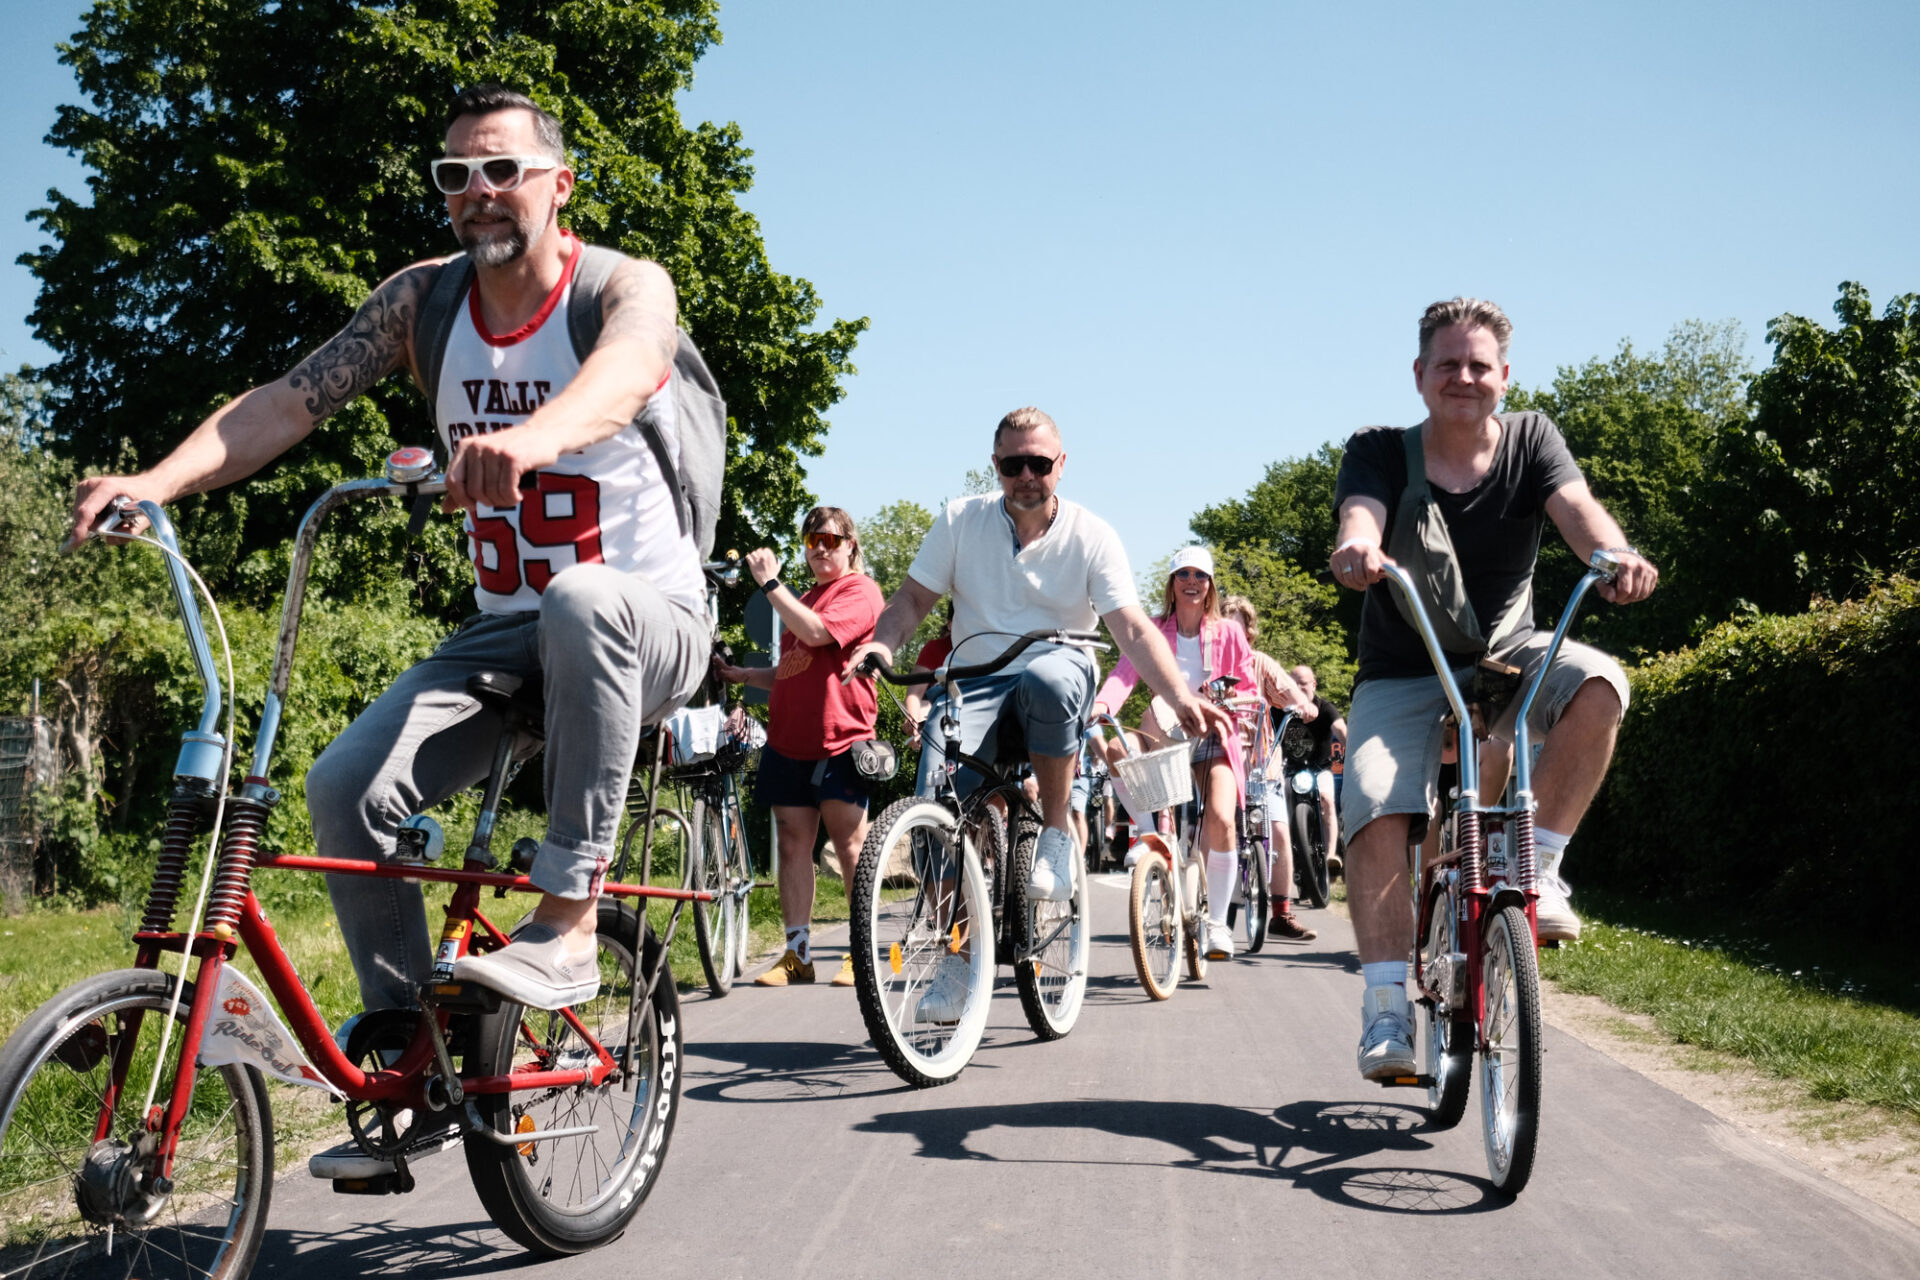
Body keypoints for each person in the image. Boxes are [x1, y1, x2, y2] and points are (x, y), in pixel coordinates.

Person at [67, 85, 709, 1031]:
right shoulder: (423, 302)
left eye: (504, 170)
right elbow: (287, 402)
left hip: (648, 627)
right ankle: (412, 1044)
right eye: (457, 176)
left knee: (581, 596)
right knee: (344, 789)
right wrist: (159, 480)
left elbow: (626, 371)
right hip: (507, 638)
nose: (480, 192)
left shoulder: (620, 286)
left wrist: (530, 438)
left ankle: (569, 919)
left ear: (560, 185)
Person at [1331, 297, 1657, 1082]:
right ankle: (1385, 1012)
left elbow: (1580, 513)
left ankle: (1532, 867)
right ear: (1420, 376)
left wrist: (1616, 557)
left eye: (1480, 366)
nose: (1464, 378)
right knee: (1375, 798)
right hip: (1404, 666)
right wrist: (1357, 547)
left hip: (1508, 653)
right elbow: (1361, 516)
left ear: (1504, 377)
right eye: (1448, 364)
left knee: (1601, 684)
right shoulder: (1379, 449)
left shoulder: (1533, 440)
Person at [844, 407, 1233, 1016]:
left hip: (1059, 669)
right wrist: (881, 643)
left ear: (1062, 464)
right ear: (994, 464)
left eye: (1039, 463)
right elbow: (912, 599)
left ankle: (1055, 831)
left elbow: (1131, 626)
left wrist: (1181, 698)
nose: (1025, 475)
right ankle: (954, 961)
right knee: (941, 804)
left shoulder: (1092, 534)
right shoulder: (959, 521)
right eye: (1011, 464)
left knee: (1051, 676)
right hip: (975, 684)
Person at [1092, 550, 1296, 959]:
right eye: (1182, 573)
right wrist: (1102, 705)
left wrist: (1232, 703)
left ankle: (1218, 924)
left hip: (1214, 732)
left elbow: (1246, 686)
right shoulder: (1151, 630)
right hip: (1167, 733)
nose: (1191, 581)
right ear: (1171, 584)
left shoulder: (1227, 633)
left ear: (1210, 586)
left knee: (1222, 818)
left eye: (1200, 575)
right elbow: (1123, 675)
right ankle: (1150, 832)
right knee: (1116, 746)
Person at [713, 507, 883, 989]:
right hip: (789, 742)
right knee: (792, 844)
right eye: (812, 539)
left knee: (850, 845)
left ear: (850, 543)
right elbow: (794, 665)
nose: (820, 548)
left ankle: (861, 950)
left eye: (830, 538)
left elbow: (817, 633)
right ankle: (797, 954)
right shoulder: (803, 597)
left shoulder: (859, 591)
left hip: (841, 737)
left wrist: (770, 584)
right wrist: (747, 676)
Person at [1216, 594, 1320, 942]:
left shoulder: (1259, 663)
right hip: (1222, 764)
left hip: (1262, 767)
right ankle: (1213, 910)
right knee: (1217, 831)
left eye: (1240, 625)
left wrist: (1302, 703)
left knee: (1278, 833)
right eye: (1226, 623)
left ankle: (1281, 914)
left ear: (1249, 630)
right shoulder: (1209, 665)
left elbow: (1286, 689)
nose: (1234, 631)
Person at [1287, 664, 1347, 881]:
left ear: (1313, 684)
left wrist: (1352, 751)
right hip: (1288, 771)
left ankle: (1331, 856)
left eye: (1302, 683)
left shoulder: (1325, 708)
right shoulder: (1280, 708)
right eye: (1293, 684)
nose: (1298, 688)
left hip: (1320, 769)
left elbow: (1340, 729)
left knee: (1327, 800)